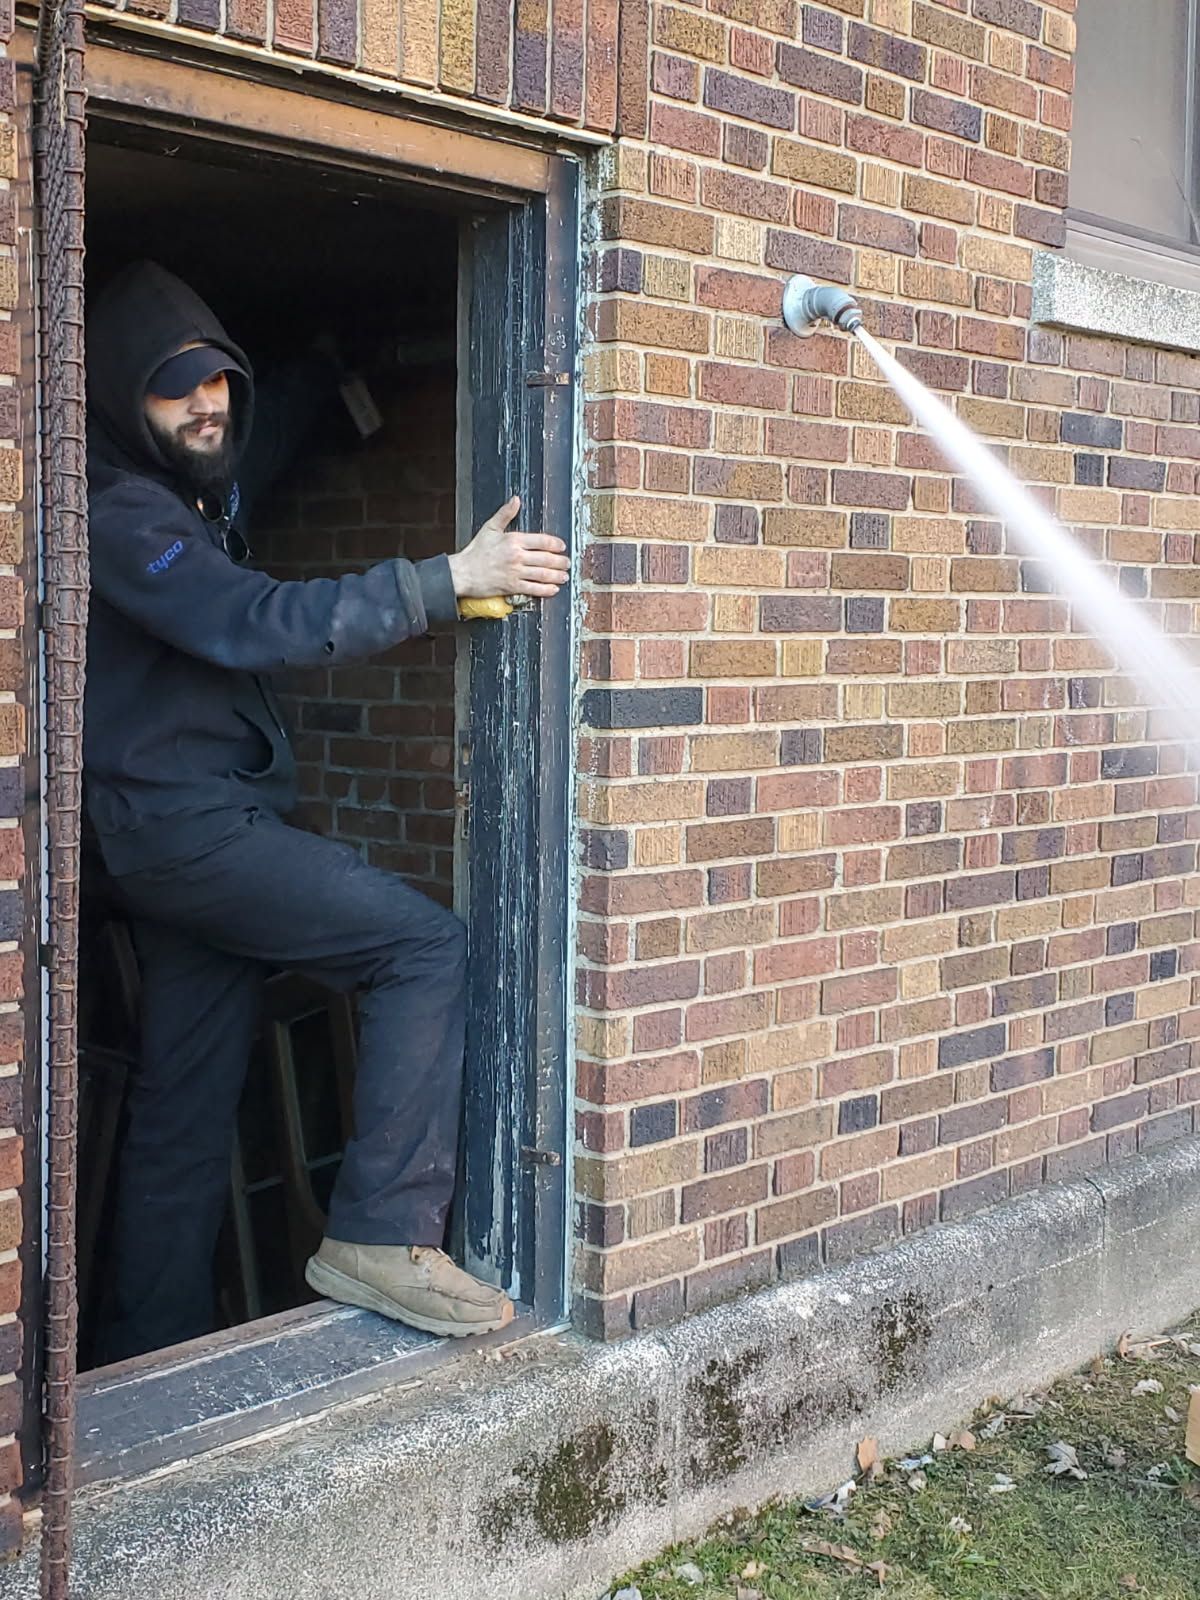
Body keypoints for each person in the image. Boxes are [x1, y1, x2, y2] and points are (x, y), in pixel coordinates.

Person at [83, 261, 570, 1363]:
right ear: (119, 394)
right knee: (422, 947)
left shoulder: (183, 495)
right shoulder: (125, 518)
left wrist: (322, 375)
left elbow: (265, 441)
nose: (206, 403)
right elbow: (252, 618)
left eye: (218, 379)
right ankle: (381, 1233)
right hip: (189, 836)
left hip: (174, 842)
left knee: (183, 1111)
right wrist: (442, 581)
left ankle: (146, 1353)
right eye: (174, 387)